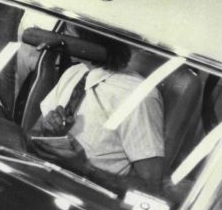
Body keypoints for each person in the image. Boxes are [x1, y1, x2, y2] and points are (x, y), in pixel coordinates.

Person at [31, 32, 165, 194]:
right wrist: (49, 131)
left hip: (88, 198)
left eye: (68, 34)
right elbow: (34, 134)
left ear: (90, 42)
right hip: (43, 182)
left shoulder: (138, 95)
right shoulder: (75, 72)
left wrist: (84, 168)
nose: (61, 37)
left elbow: (150, 188)